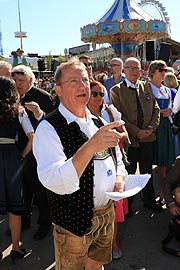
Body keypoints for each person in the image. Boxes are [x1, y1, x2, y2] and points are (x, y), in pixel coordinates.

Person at [33, 58, 127, 270]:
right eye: (73, 80)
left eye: (85, 79)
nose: (82, 85)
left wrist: (120, 178)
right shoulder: (49, 127)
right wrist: (89, 147)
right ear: (57, 90)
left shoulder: (98, 121)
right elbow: (53, 179)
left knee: (96, 265)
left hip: (105, 214)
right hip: (73, 221)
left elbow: (117, 158)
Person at [110, 57, 163, 214]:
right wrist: (136, 132)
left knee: (147, 172)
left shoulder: (146, 86)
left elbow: (156, 110)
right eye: (131, 68)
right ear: (124, 70)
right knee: (130, 172)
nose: (134, 71)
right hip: (130, 140)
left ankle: (149, 200)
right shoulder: (116, 90)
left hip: (149, 138)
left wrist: (151, 128)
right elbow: (118, 117)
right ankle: (128, 205)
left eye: (137, 68)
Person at [11, 65, 54, 240]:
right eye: (15, 80)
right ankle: (23, 222)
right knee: (22, 191)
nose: (17, 83)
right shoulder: (12, 97)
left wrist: (38, 113)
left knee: (39, 190)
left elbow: (52, 122)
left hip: (37, 152)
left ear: (30, 79)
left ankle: (44, 224)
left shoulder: (42, 96)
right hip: (16, 150)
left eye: (21, 80)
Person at [88, 80, 129, 260]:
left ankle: (113, 243)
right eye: (94, 93)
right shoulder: (81, 115)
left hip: (113, 160)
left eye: (101, 94)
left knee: (114, 209)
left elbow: (125, 133)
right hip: (92, 165)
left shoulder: (110, 111)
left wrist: (117, 136)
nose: (98, 97)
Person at [0, 77, 33, 264]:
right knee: (15, 207)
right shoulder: (18, 111)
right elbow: (32, 137)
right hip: (12, 157)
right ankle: (15, 247)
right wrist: (21, 155)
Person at [148, 60, 176, 204]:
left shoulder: (165, 89)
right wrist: (159, 113)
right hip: (154, 127)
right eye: (161, 70)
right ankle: (156, 193)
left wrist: (169, 112)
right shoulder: (147, 88)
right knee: (156, 162)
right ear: (153, 72)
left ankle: (163, 193)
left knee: (164, 161)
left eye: (165, 70)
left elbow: (171, 106)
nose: (164, 72)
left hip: (165, 126)